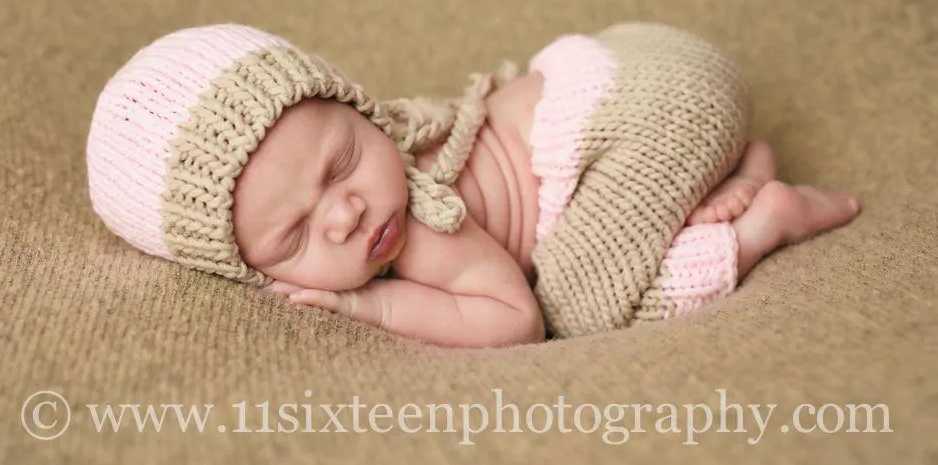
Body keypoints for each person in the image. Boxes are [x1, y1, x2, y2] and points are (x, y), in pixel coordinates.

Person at [86, 23, 861, 348]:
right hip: (646, 58)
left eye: (341, 162)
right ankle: (736, 167)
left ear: (355, 106)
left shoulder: (421, 225)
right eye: (295, 235)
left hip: (654, 116)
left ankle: (763, 219)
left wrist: (373, 301)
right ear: (247, 267)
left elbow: (516, 318)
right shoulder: (402, 136)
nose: (348, 212)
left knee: (582, 304)